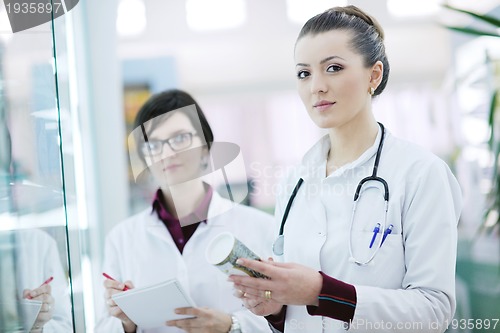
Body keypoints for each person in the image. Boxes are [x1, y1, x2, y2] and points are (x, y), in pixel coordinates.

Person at [229, 5, 462, 333]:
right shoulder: (293, 182)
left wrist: (321, 292)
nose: (316, 87)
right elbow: (293, 317)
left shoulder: (422, 174)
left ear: (374, 75)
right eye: (304, 73)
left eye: (334, 68)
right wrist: (275, 308)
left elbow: (434, 311)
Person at [95, 89, 274, 333]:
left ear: (204, 146)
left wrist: (231, 326)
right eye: (153, 144)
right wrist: (126, 323)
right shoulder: (121, 238)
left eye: (180, 138)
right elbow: (103, 325)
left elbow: (288, 318)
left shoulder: (261, 227)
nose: (167, 153)